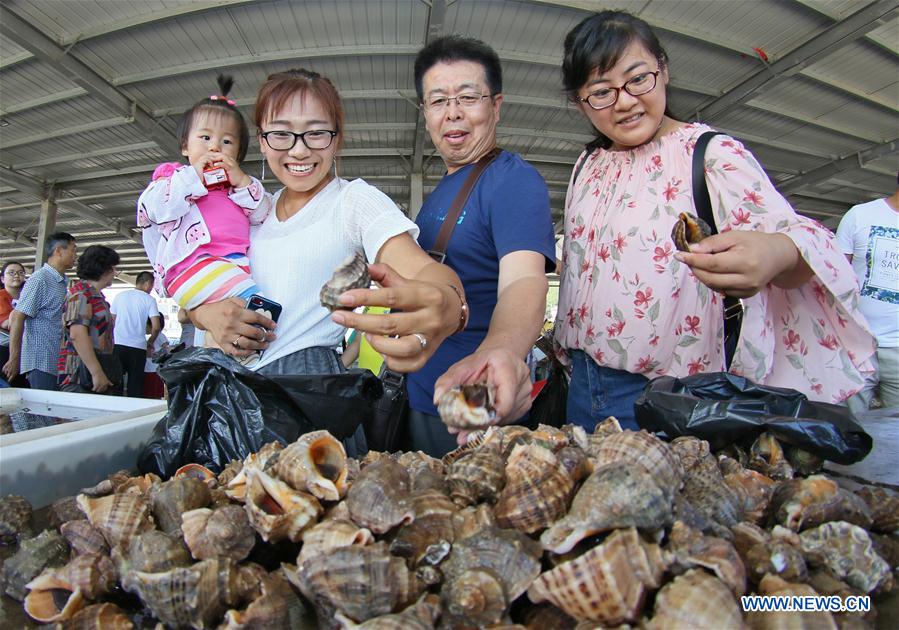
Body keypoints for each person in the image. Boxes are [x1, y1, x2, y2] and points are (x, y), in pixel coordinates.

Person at [554, 10, 876, 431]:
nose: (626, 101)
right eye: (601, 92)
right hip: (580, 384)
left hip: (673, 396)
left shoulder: (710, 155)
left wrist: (775, 254)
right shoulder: (587, 165)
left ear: (663, 70)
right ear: (580, 102)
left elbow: (798, 242)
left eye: (637, 79)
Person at [188, 68, 467, 457]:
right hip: (234, 396)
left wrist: (449, 301)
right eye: (281, 134)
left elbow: (420, 268)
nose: (299, 150)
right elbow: (194, 282)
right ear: (262, 141)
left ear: (337, 139)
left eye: (317, 133)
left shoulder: (352, 202)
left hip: (310, 396)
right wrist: (208, 315)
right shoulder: (250, 210)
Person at [404, 36, 556, 455]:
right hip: (420, 395)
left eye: (468, 97)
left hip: (473, 403)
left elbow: (523, 282)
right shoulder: (441, 193)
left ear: (496, 105)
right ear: (425, 112)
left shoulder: (512, 181)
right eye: (438, 101)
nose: (453, 113)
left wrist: (500, 352)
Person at [137, 75, 272, 335]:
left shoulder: (239, 188)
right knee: (259, 308)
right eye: (205, 138)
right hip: (192, 265)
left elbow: (263, 214)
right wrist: (193, 176)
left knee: (231, 326)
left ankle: (235, 359)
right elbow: (154, 209)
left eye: (227, 142)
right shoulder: (173, 180)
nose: (215, 147)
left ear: (238, 153)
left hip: (229, 268)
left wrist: (242, 181)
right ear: (185, 146)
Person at [837, 180, 899, 411]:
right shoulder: (860, 216)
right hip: (857, 342)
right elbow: (835, 276)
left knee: (896, 432)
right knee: (852, 426)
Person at [2, 233, 77, 390]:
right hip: (40, 360)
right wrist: (14, 358)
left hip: (55, 358)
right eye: (73, 250)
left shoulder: (62, 281)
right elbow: (17, 317)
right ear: (58, 251)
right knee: (43, 411)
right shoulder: (40, 279)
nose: (75, 255)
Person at [58, 245, 122, 394]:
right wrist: (96, 372)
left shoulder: (96, 297)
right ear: (103, 269)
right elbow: (77, 334)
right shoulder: (80, 294)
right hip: (79, 375)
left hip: (93, 372)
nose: (115, 273)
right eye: (113, 268)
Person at [111, 271, 161, 397]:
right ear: (148, 283)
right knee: (136, 385)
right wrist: (150, 342)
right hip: (138, 348)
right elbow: (156, 327)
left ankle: (115, 412)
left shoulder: (119, 296)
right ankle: (134, 414)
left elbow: (111, 321)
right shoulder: (149, 300)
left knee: (116, 383)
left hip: (118, 344)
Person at [0, 261, 28, 387]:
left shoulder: (26, 297)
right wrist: (17, 316)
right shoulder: (1, 297)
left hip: (24, 348)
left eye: (20, 272)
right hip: (5, 350)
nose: (16, 275)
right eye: (11, 273)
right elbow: (8, 324)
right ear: (2, 278)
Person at [143, 314, 170, 399]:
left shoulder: (160, 336)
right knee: (148, 392)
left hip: (155, 370)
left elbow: (166, 349)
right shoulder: (150, 337)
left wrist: (156, 355)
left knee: (154, 393)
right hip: (148, 369)